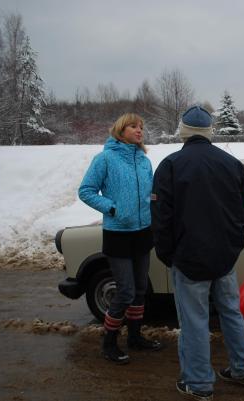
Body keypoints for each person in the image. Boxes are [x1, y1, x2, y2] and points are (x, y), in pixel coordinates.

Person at [152, 105, 244, 401]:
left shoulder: (171, 165)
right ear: (210, 132)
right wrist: (232, 244)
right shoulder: (232, 164)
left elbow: (161, 217)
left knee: (194, 320)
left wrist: (168, 254)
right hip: (224, 257)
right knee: (231, 311)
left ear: (183, 132)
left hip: (188, 259)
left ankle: (198, 383)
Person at [79, 113, 163, 364]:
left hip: (143, 232)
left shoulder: (144, 161)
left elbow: (150, 194)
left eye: (141, 127)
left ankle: (135, 337)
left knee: (140, 290)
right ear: (120, 129)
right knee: (125, 291)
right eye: (133, 126)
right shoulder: (105, 159)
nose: (139, 130)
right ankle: (109, 342)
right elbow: (86, 191)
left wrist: (155, 207)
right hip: (118, 234)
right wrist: (113, 208)